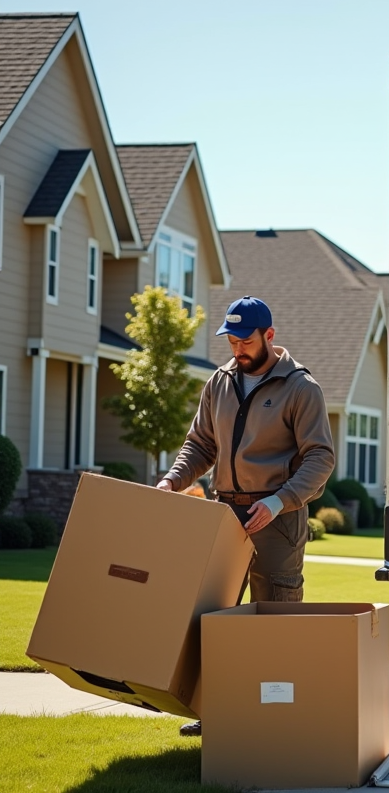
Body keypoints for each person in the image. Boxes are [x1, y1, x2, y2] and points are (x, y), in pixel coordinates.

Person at [157, 296, 335, 736]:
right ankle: (217, 712)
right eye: (231, 340)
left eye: (245, 340)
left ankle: (278, 719)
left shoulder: (300, 387)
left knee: (275, 618)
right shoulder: (219, 382)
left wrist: (279, 501)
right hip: (225, 515)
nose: (237, 349)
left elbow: (320, 458)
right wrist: (172, 482)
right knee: (215, 617)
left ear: (269, 336)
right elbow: (200, 444)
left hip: (277, 517)